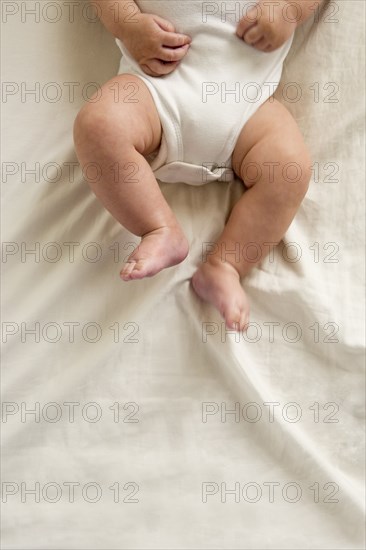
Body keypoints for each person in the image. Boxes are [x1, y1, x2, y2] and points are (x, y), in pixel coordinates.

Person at [73, 0, 326, 331]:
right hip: (155, 91)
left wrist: (290, 10)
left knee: (289, 170)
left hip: (248, 108)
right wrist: (129, 25)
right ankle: (159, 227)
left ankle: (226, 265)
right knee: (99, 126)